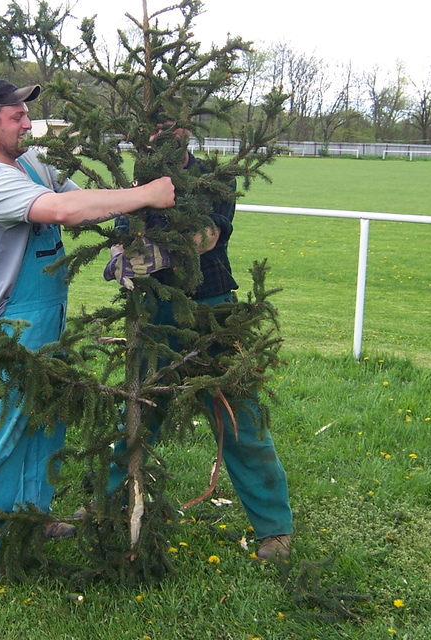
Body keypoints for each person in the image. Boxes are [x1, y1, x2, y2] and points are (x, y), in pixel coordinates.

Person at [0, 79, 176, 580]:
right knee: (2, 428)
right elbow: (59, 210)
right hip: (8, 321)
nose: (28, 123)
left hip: (47, 314)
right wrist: (148, 194)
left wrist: (128, 223)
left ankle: (33, 517)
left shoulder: (32, 164)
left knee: (46, 419)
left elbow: (81, 199)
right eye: (16, 116)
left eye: (25, 114)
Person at [104, 120, 294, 562]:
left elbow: (207, 235)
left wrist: (151, 256)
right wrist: (120, 253)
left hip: (210, 307)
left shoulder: (215, 179)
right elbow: (120, 231)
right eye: (153, 128)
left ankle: (274, 527)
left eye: (171, 127)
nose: (162, 136)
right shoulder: (135, 184)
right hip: (152, 315)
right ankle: (108, 504)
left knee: (238, 416)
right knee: (137, 412)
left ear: (185, 129)